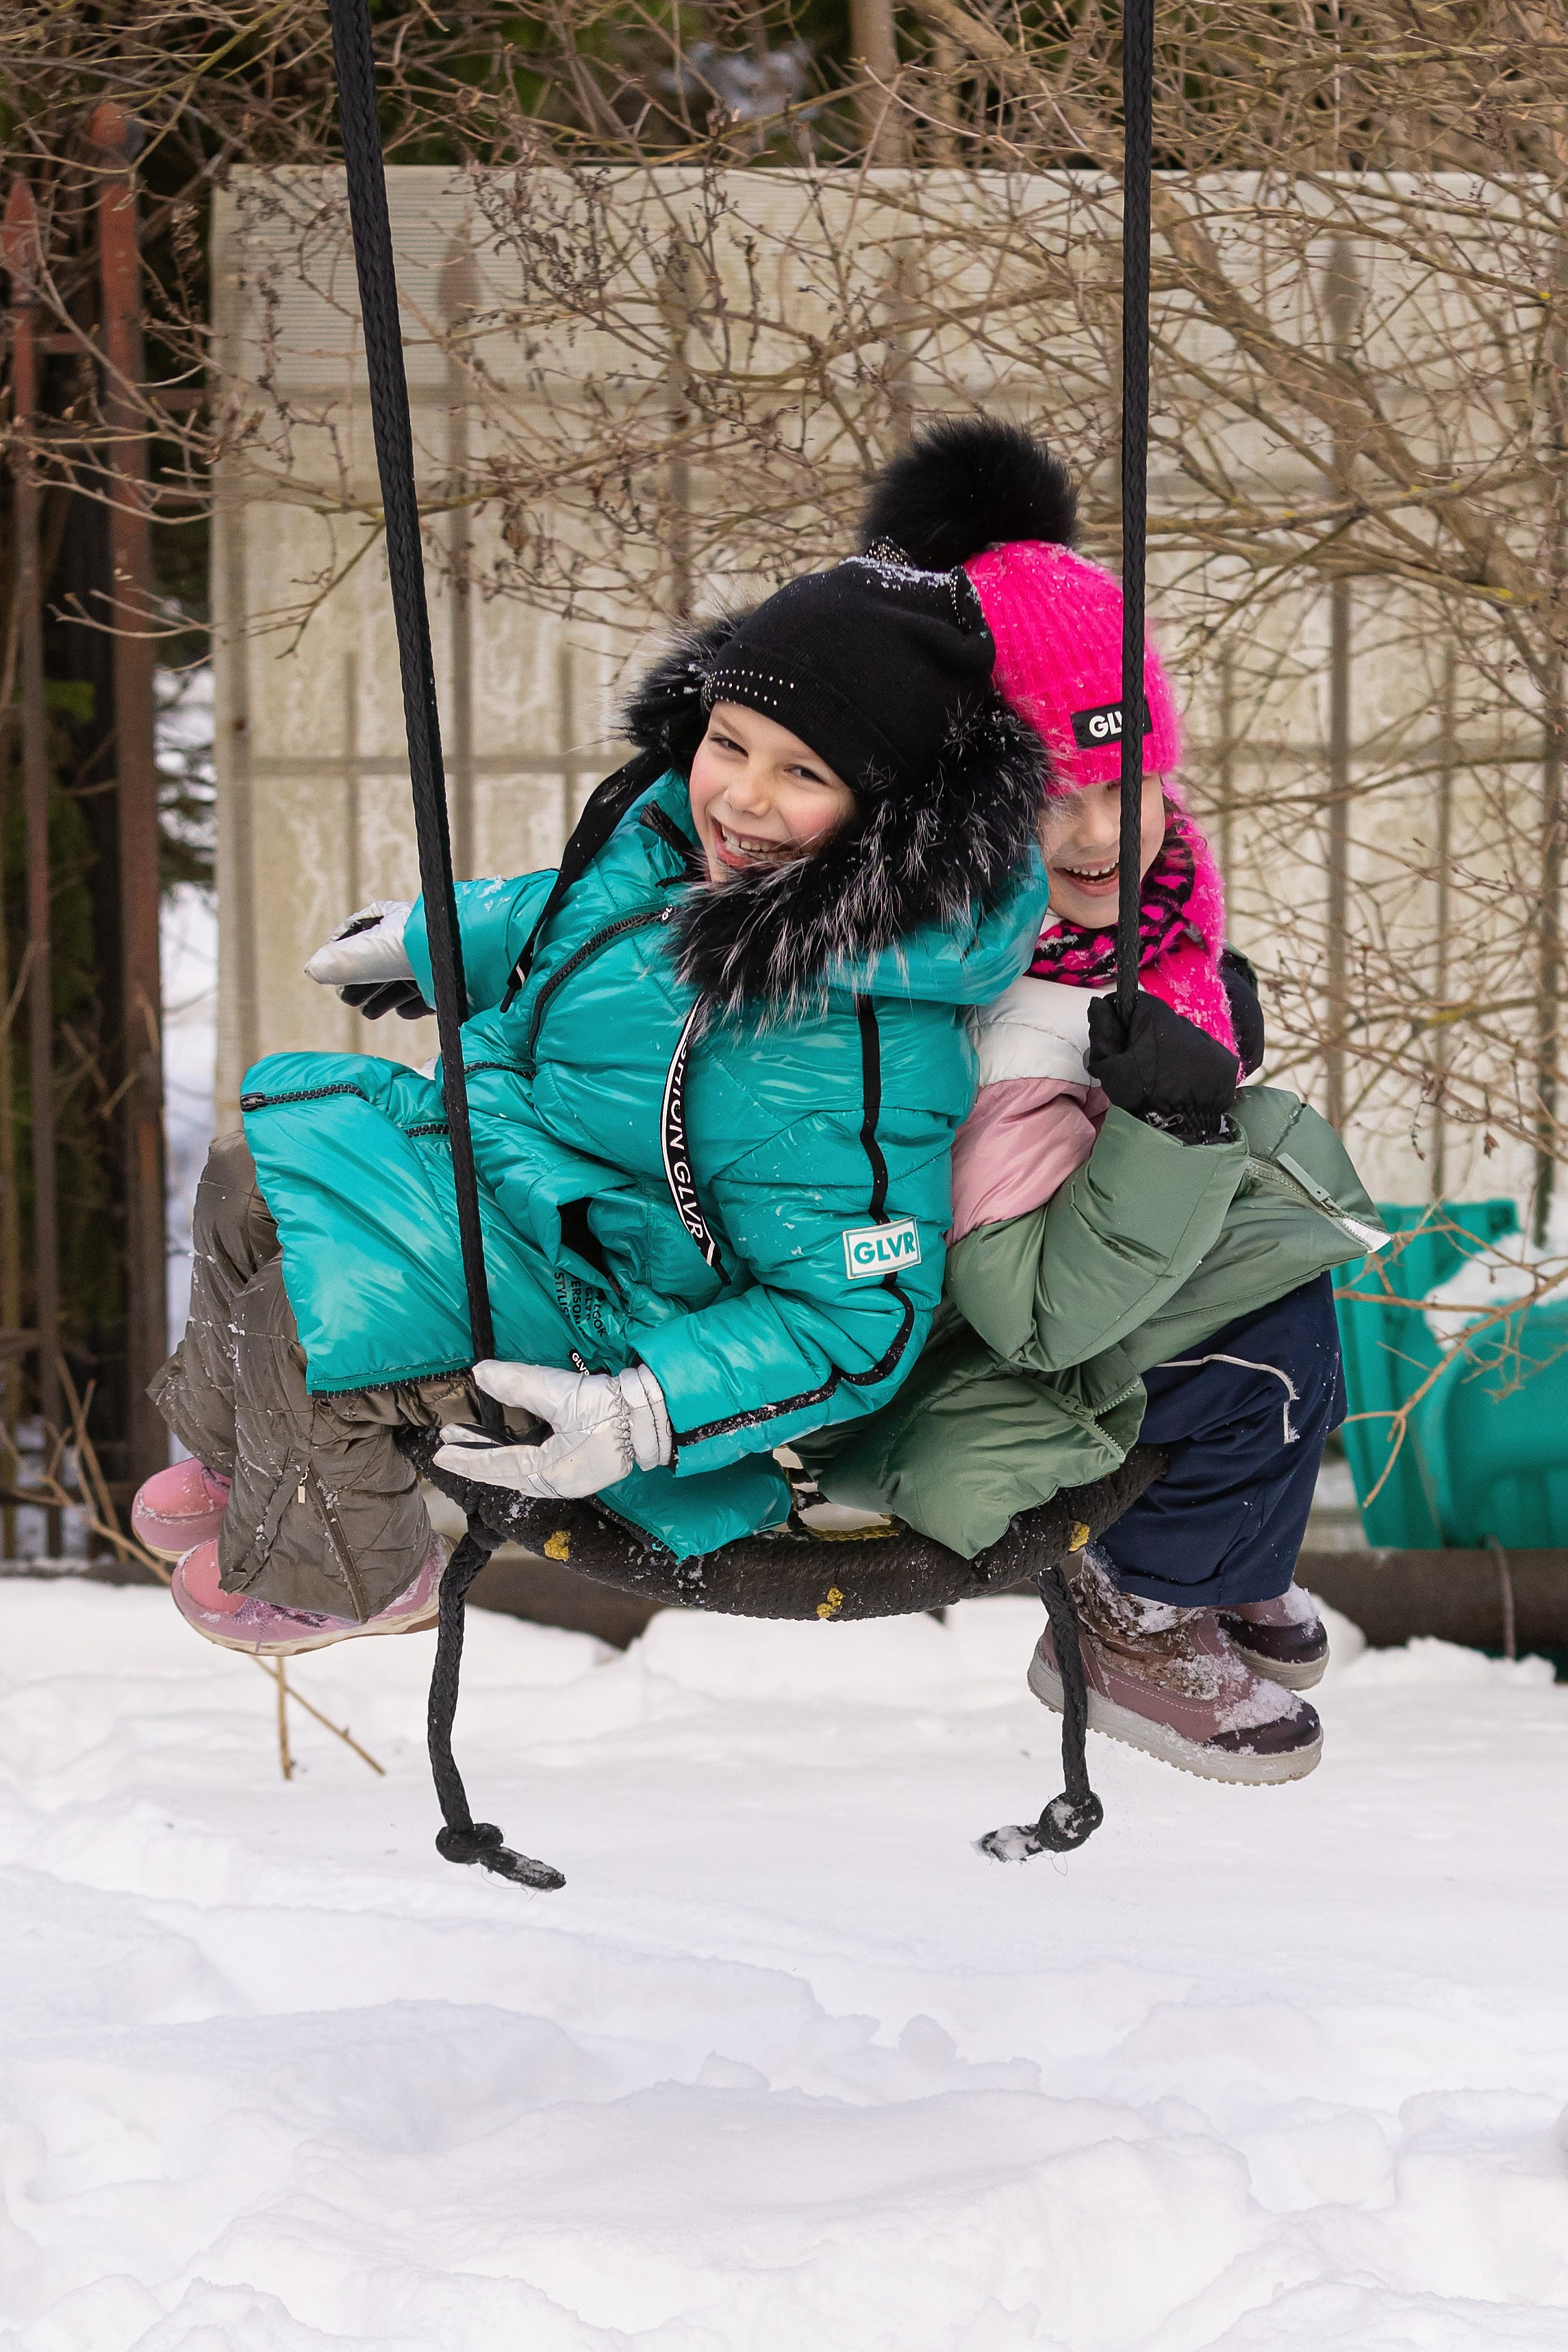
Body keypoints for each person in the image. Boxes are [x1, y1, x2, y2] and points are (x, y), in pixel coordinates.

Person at [132, 555, 1050, 1653]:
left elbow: (859, 1319)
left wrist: (645, 1407)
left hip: (626, 1316)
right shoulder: (675, 841)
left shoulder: (848, 1041)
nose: (743, 796)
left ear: (886, 814)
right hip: (532, 1181)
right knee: (253, 1166)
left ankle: (341, 1572)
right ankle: (248, 1458)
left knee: (319, 1316)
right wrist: (437, 934)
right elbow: (586, 924)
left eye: (802, 773)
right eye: (728, 744)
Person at [800, 420, 1388, 1785]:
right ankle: (1128, 1614)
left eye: (1123, 784)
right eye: (1048, 797)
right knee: (1262, 1351)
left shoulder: (1159, 897)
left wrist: (1198, 1049)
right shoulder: (968, 999)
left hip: (1082, 1241)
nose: (1092, 834)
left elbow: (1167, 1068)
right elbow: (1026, 1304)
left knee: (1304, 1298)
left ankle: (1218, 1563)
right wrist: (1171, 1124)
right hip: (959, 1335)